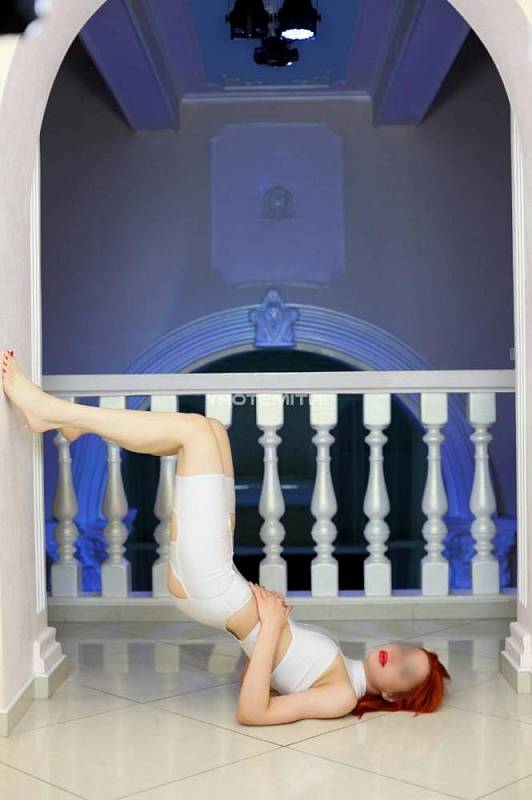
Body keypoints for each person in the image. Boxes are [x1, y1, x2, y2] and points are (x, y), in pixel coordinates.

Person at [1, 348, 451, 726]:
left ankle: (54, 413)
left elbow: (253, 713)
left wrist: (270, 627)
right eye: (407, 652)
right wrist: (267, 633)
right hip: (221, 581)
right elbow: (258, 675)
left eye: (405, 672)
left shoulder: (343, 698)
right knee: (212, 430)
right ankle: (76, 424)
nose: (397, 657)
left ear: (392, 697)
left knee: (193, 433)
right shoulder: (343, 668)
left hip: (212, 586)